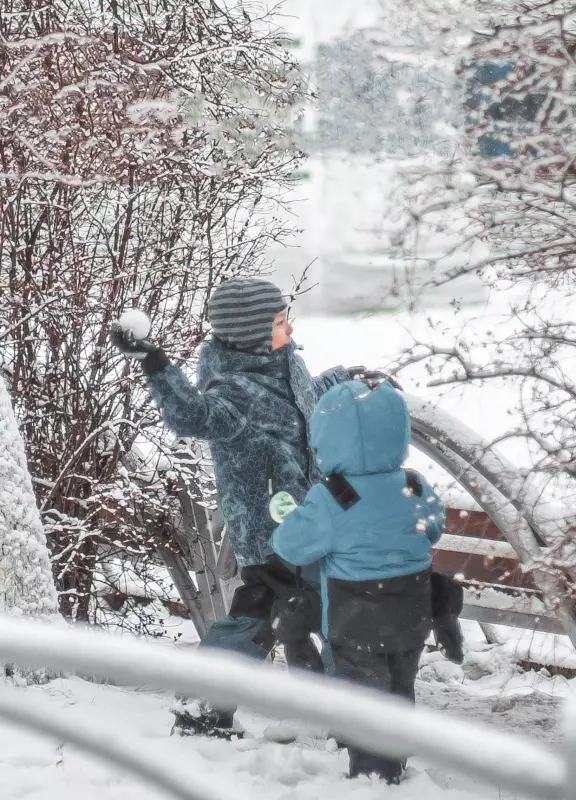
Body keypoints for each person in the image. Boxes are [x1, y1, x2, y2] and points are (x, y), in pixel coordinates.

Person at [111, 277, 379, 738]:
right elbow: (190, 415)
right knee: (331, 602)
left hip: (308, 518)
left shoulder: (284, 368)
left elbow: (306, 400)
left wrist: (345, 377)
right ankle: (344, 711)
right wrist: (155, 363)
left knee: (263, 608)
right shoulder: (234, 394)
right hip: (271, 527)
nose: (289, 329)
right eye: (279, 323)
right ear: (252, 332)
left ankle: (208, 704)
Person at [271, 379, 447, 784]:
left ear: (330, 440)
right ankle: (397, 759)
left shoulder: (332, 496)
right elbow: (434, 529)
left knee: (364, 699)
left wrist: (287, 521)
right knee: (401, 684)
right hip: (410, 614)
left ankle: (373, 777)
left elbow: (293, 547)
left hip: (356, 620)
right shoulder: (414, 485)